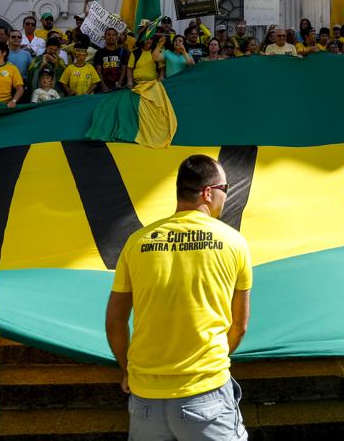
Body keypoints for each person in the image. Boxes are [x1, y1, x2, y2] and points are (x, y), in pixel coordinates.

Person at [105, 154, 251, 441]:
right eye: (225, 188)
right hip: (206, 394)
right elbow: (239, 325)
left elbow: (115, 323)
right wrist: (212, 362)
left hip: (146, 399)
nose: (225, 195)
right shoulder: (234, 242)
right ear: (208, 193)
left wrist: (127, 371)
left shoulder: (137, 242)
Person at [94, 27, 130, 92]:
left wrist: (120, 83)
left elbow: (124, 68)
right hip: (104, 89)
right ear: (104, 37)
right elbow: (98, 71)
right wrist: (103, 85)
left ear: (117, 37)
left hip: (119, 88)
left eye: (113, 35)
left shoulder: (122, 52)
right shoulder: (99, 53)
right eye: (108, 34)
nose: (111, 36)